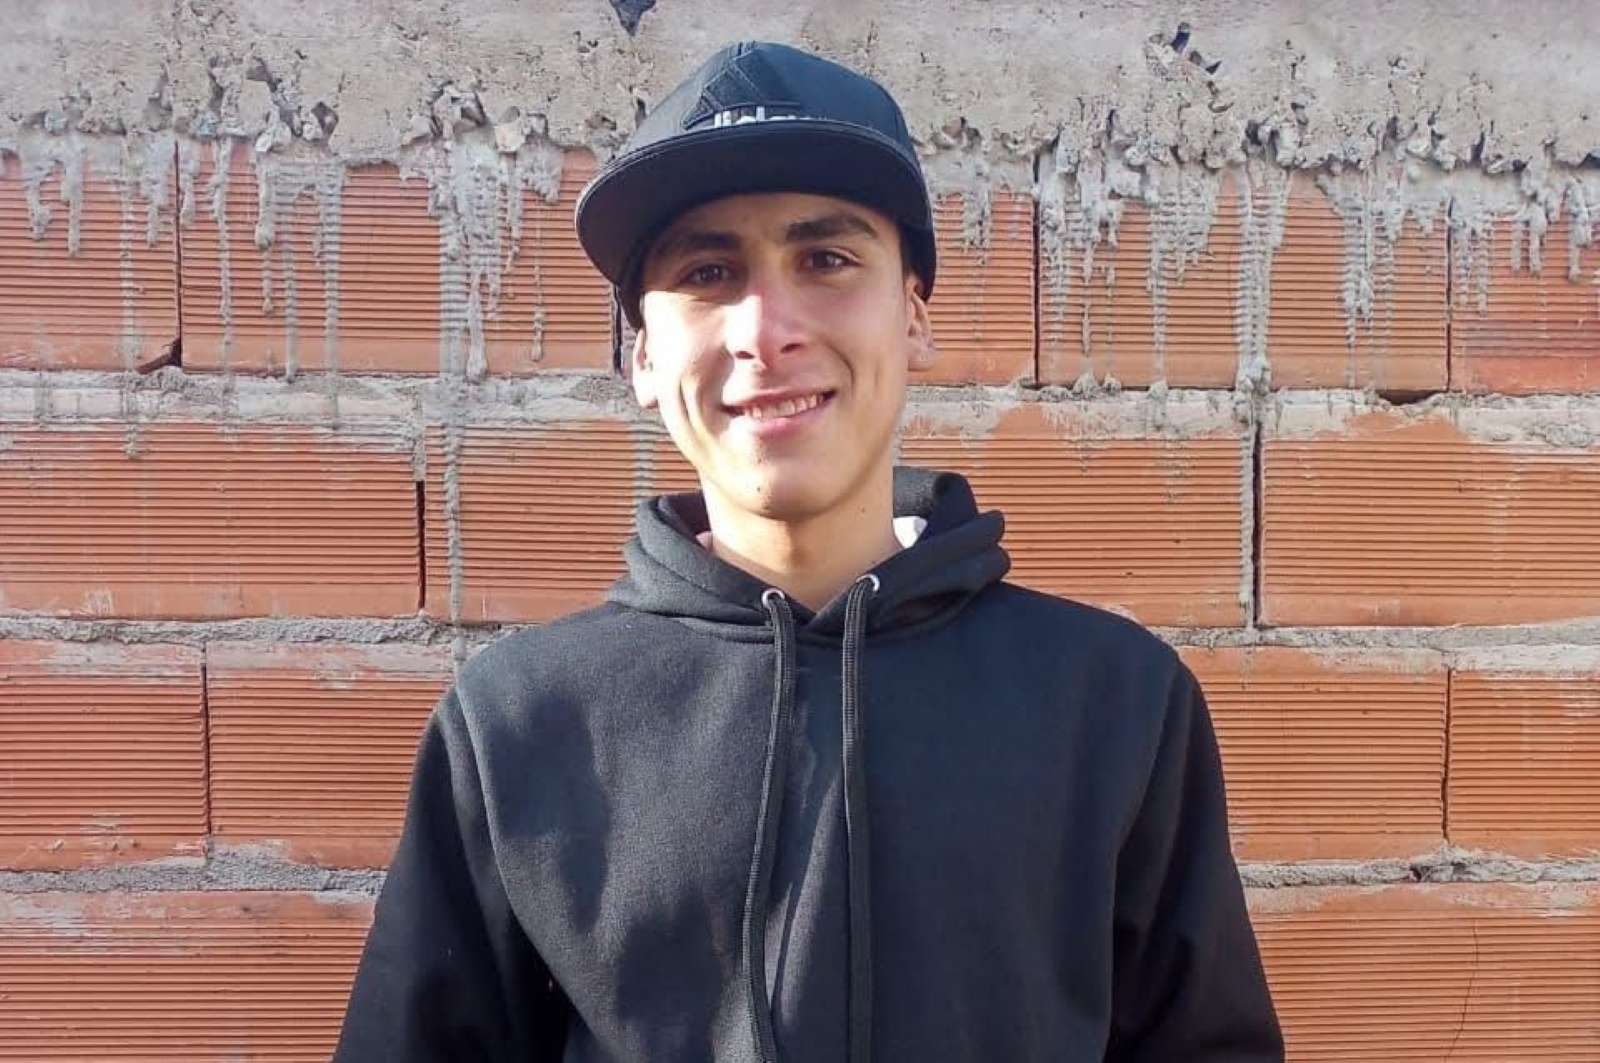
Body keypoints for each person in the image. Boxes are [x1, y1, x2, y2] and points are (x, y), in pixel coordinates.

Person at [333, 40, 1284, 1063]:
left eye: (825, 260)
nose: (767, 327)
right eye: (707, 272)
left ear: (912, 314)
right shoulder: (517, 722)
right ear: (643, 355)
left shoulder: (1112, 701)